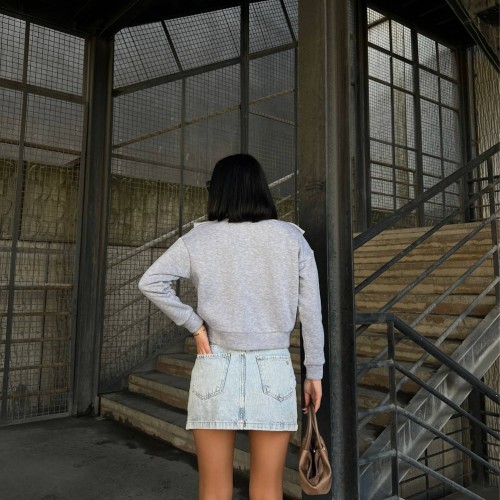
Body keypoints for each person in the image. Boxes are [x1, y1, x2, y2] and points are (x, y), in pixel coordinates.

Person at [139, 154, 325, 500]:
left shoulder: (198, 239)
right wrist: (314, 372)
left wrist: (195, 326)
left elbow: (150, 282)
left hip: (215, 364)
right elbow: (312, 311)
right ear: (261, 188)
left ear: (219, 191)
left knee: (213, 489)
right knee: (267, 489)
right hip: (273, 367)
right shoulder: (291, 238)